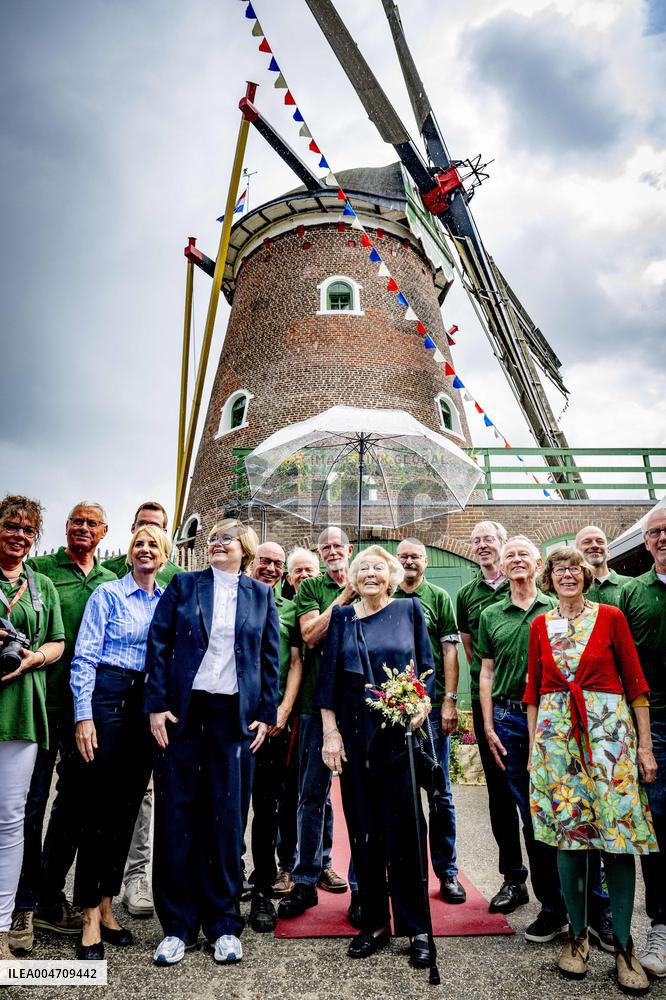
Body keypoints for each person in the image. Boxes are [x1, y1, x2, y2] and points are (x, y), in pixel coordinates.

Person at [145, 518, 280, 967]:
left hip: (232, 718)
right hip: (183, 715)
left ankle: (223, 924)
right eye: (213, 538)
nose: (216, 543)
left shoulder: (261, 595)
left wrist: (266, 714)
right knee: (177, 816)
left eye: (226, 538)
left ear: (244, 547)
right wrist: (156, 705)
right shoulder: (184, 585)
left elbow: (270, 657)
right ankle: (177, 926)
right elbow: (158, 644)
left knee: (226, 821)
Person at [525, 546, 657, 993]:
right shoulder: (540, 625)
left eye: (575, 569)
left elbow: (636, 684)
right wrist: (534, 750)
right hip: (556, 739)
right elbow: (533, 691)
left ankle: (623, 946)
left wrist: (644, 748)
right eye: (560, 569)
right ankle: (577, 938)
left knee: (618, 837)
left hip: (608, 737)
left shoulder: (611, 617)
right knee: (569, 837)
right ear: (549, 578)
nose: (568, 575)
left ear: (586, 575)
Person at [316, 545, 435, 967]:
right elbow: (327, 682)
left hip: (400, 739)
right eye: (362, 567)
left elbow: (427, 670)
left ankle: (417, 927)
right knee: (365, 834)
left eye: (378, 567)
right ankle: (375, 923)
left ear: (392, 576)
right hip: (354, 739)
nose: (370, 573)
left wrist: (423, 705)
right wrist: (330, 733)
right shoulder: (342, 618)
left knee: (406, 833)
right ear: (353, 578)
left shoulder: (409, 610)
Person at [9, 503, 115, 954]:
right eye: (77, 521)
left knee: (72, 807)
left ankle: (51, 896)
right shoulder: (42, 572)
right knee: (30, 805)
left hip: (85, 710)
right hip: (42, 703)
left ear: (104, 532)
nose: (84, 528)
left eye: (92, 523)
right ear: (66, 528)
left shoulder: (110, 579)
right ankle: (22, 902)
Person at [70, 524, 170, 960]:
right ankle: (89, 914)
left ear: (164, 555)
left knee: (127, 810)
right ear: (130, 553)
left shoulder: (167, 600)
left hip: (146, 706)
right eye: (139, 544)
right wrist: (84, 715)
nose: (145, 549)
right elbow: (84, 658)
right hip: (108, 699)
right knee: (98, 810)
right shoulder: (107, 595)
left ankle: (109, 905)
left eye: (153, 544)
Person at [479, 535, 567, 943]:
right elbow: (486, 672)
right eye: (509, 554)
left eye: (523, 554)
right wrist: (488, 725)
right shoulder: (491, 614)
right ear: (502, 564)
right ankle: (551, 907)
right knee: (530, 814)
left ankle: (579, 904)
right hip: (508, 719)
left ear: (538, 563)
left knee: (560, 809)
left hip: (553, 717)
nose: (516, 560)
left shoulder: (556, 608)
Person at [103, 499, 182, 918]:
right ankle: (96, 892)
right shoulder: (109, 582)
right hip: (113, 697)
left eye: (156, 531)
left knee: (145, 794)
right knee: (105, 795)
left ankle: (136, 878)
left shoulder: (175, 587)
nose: (147, 541)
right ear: (132, 531)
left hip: (155, 700)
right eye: (142, 531)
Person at [0, 495, 65, 964]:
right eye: (11, 526)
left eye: (27, 530)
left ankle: (2, 927)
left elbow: (58, 641)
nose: (19, 535)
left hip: (21, 711)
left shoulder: (41, 585)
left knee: (10, 821)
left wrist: (34, 657)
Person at [278, 527, 354, 920]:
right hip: (313, 705)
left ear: (349, 549)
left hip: (358, 706)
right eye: (325, 547)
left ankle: (361, 883)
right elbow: (309, 635)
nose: (332, 552)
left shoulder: (370, 578)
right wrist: (345, 596)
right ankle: (305, 879)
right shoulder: (311, 588)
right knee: (311, 795)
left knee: (361, 798)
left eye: (337, 546)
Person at [456, 521, 527, 914]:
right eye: (476, 540)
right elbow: (475, 655)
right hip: (492, 707)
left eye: (489, 539)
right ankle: (513, 878)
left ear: (504, 542)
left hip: (532, 708)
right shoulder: (467, 596)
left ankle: (554, 884)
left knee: (538, 796)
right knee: (500, 796)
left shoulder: (530, 583)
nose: (482, 545)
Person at [395, 537, 465, 904]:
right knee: (400, 795)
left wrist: (449, 701)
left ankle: (447, 872)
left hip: (432, 710)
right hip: (392, 710)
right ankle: (407, 871)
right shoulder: (386, 594)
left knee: (439, 792)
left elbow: (450, 652)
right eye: (403, 556)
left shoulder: (438, 598)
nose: (409, 562)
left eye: (415, 556)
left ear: (426, 561)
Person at [247, 541, 303, 933]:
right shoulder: (233, 600)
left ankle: (263, 890)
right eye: (264, 561)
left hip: (273, 724)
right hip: (234, 720)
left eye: (277, 564)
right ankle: (228, 880)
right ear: (251, 562)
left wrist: (282, 711)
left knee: (267, 809)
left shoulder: (289, 610)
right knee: (229, 810)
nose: (270, 568)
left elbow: (295, 662)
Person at [620, 506, 666, 979]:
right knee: (659, 826)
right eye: (655, 532)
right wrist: (641, 740)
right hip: (658, 721)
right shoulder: (635, 593)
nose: (662, 537)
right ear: (647, 542)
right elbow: (626, 669)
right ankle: (662, 925)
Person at [575, 526, 632, 607]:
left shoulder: (632, 584)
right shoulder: (570, 588)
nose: (595, 545)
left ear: (608, 550)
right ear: (576, 552)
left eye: (600, 541)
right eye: (587, 542)